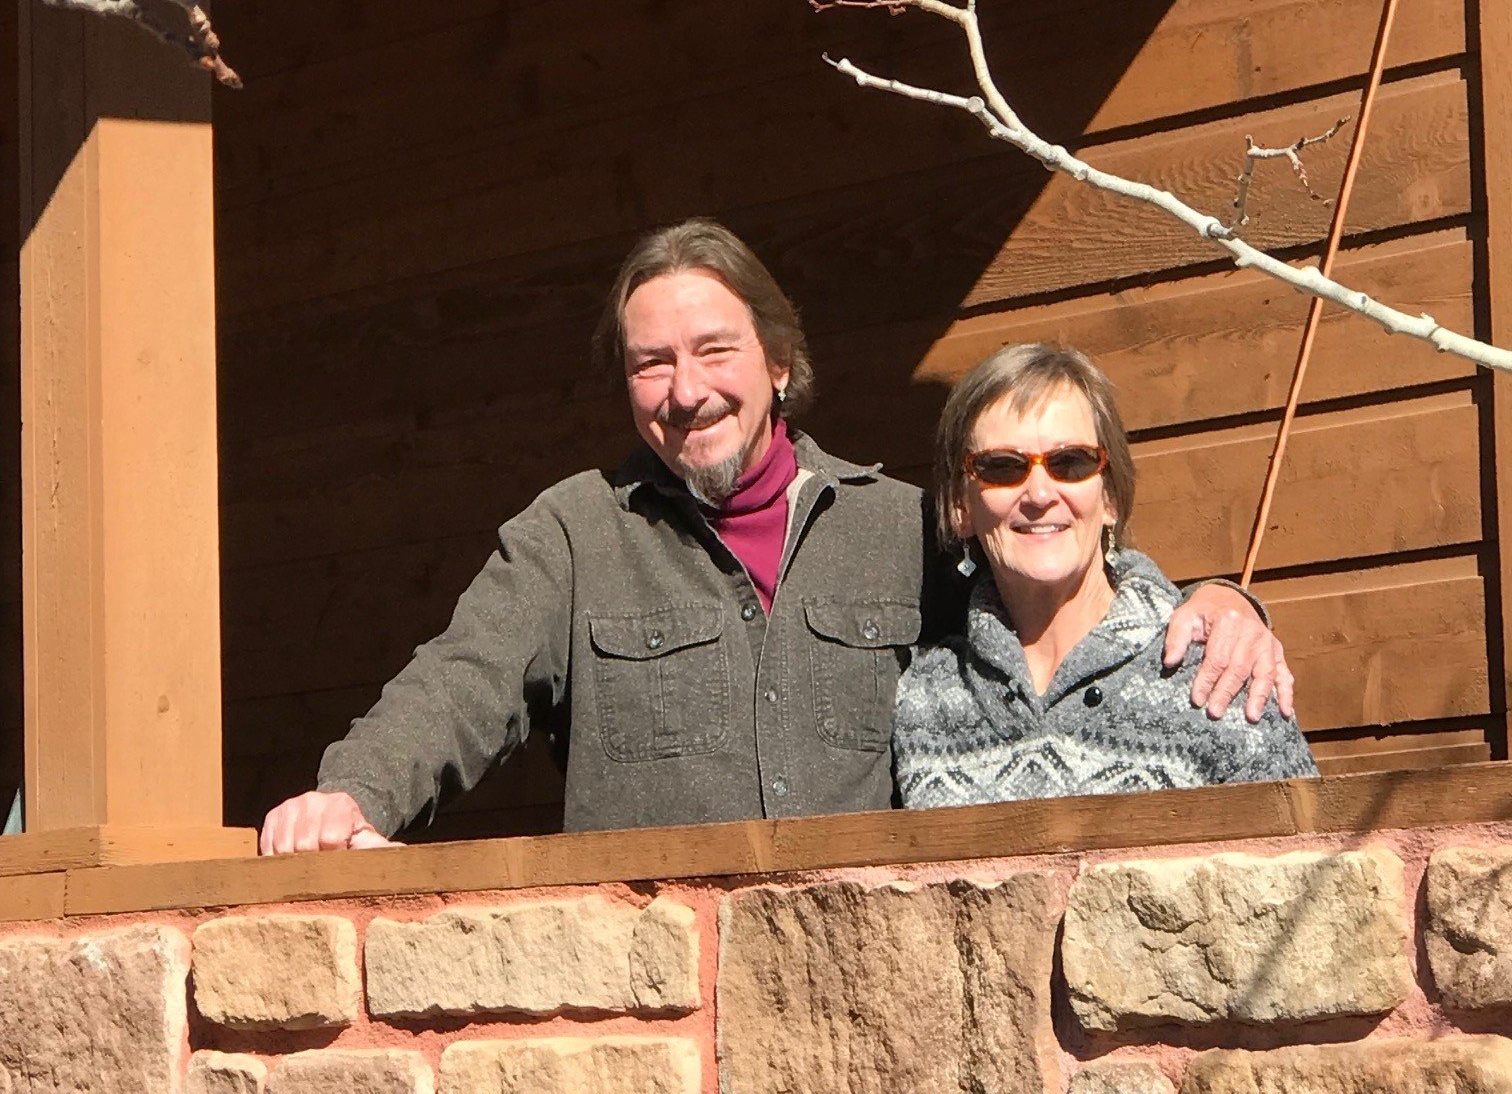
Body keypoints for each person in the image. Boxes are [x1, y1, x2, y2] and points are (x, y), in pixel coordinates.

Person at [260, 221, 1295, 852]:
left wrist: (1214, 602)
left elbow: (1038, 560)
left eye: (715, 349)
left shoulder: (898, 526)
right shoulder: (574, 534)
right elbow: (458, 683)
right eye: (650, 364)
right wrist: (349, 794)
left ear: (779, 363)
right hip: (660, 998)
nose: (686, 389)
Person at [893, 342, 1316, 807]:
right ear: (960, 507)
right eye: (1002, 467)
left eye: (1069, 463)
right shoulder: (922, 697)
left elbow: (1318, 865)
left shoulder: (1220, 670)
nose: (1039, 493)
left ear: (1111, 497)